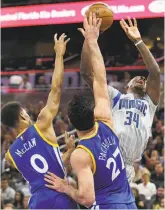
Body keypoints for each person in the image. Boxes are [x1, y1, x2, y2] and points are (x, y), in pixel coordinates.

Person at [44, 13, 136, 209]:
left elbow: (87, 199)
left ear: (71, 122)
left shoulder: (81, 154)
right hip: (128, 202)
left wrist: (65, 187)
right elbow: (100, 78)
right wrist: (92, 40)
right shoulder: (105, 121)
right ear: (93, 114)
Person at [80, 16, 160, 182]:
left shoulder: (149, 102)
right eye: (137, 78)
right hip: (109, 154)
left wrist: (138, 41)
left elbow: (154, 71)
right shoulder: (116, 96)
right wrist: (89, 41)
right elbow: (87, 74)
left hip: (129, 164)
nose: (142, 79)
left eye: (143, 80)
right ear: (126, 86)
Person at [1, 34, 77, 209]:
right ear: (22, 116)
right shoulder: (41, 125)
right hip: (60, 197)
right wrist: (59, 55)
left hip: (38, 203)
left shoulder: (10, 155)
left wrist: (69, 151)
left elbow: (47, 177)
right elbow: (56, 89)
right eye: (26, 112)